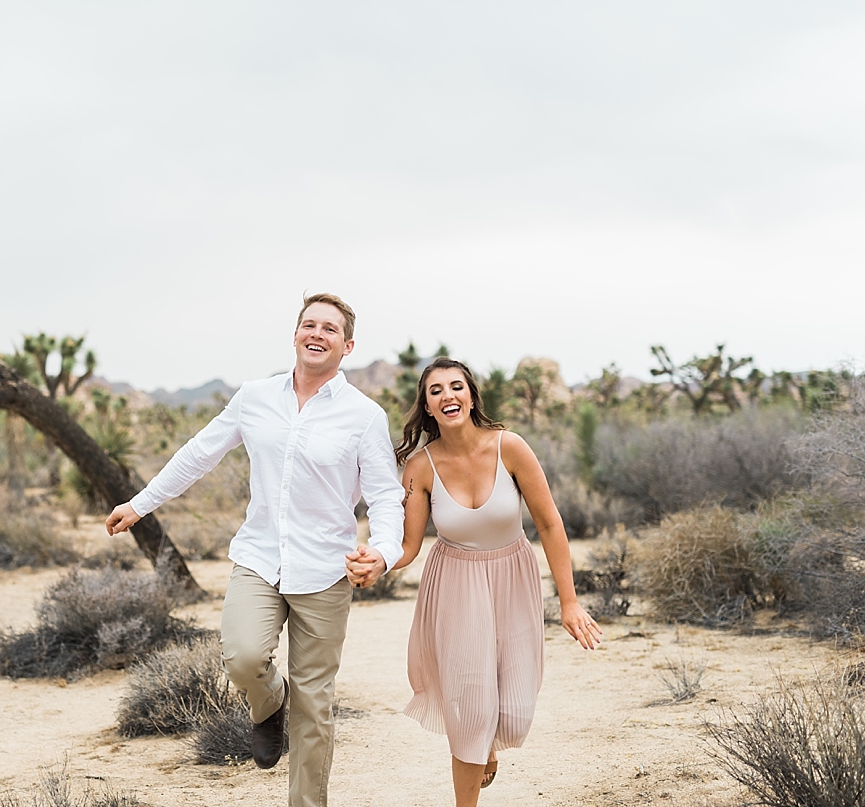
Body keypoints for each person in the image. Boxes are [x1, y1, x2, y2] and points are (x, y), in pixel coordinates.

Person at [105, 293, 405, 807]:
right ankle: (269, 703)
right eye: (308, 324)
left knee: (316, 707)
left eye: (330, 329)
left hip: (327, 570)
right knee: (243, 658)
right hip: (260, 558)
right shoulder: (254, 397)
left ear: (347, 345)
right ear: (294, 335)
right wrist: (141, 503)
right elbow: (199, 454)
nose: (317, 333)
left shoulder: (364, 416)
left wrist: (383, 552)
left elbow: (384, 495)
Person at [346, 357, 602, 807]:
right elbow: (408, 545)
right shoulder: (419, 468)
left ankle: (486, 745)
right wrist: (379, 562)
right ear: (426, 406)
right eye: (436, 390)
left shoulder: (511, 448)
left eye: (456, 386)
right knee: (470, 707)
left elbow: (550, 524)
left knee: (514, 710)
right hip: (455, 586)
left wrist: (569, 602)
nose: (448, 396)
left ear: (471, 395)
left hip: (513, 580)